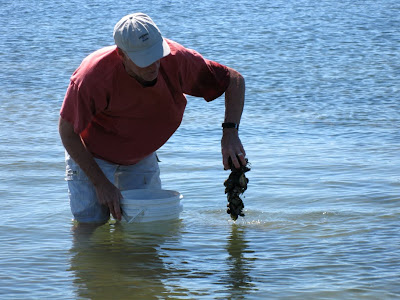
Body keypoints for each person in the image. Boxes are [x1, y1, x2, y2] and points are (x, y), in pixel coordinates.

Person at [59, 13, 247, 224]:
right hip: (92, 155)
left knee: (146, 225)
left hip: (140, 155)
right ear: (122, 55)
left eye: (156, 55)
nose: (154, 65)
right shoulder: (92, 77)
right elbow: (67, 133)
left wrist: (230, 132)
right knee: (90, 224)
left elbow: (233, 80)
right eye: (144, 60)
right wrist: (100, 183)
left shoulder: (177, 60)